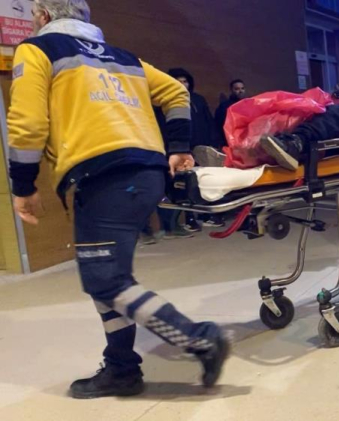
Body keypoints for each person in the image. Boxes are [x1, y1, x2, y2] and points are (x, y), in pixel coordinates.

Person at [7, 0, 229, 398]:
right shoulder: (123, 57)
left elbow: (27, 123)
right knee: (106, 279)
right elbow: (176, 92)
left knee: (105, 279)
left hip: (105, 177)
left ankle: (199, 338)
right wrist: (178, 145)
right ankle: (122, 368)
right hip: (145, 173)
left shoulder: (38, 50)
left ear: (43, 16)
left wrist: (22, 185)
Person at [168, 68, 216, 232]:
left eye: (185, 81)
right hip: (182, 149)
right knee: (186, 183)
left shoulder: (198, 99)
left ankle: (206, 214)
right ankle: (189, 218)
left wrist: (212, 142)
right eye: (178, 81)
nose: (183, 84)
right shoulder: (168, 100)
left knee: (205, 180)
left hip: (201, 147)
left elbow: (208, 121)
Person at [214, 79, 246, 149]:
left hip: (246, 141)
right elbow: (219, 125)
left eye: (242, 88)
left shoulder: (248, 104)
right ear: (231, 90)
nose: (240, 91)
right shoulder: (224, 106)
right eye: (237, 89)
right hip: (229, 141)